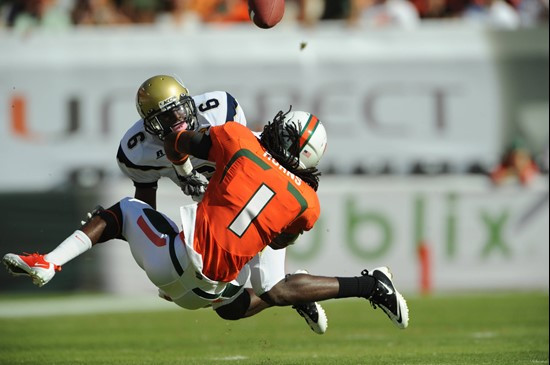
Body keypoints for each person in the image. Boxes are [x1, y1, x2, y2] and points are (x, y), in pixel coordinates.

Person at [3, 108, 409, 330]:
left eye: (280, 127)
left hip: (175, 262)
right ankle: (369, 285)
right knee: (253, 296)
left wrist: (185, 170)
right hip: (209, 288)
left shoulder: (241, 140)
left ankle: (50, 261)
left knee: (126, 211)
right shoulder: (308, 202)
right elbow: (277, 242)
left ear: (285, 138)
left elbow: (178, 141)